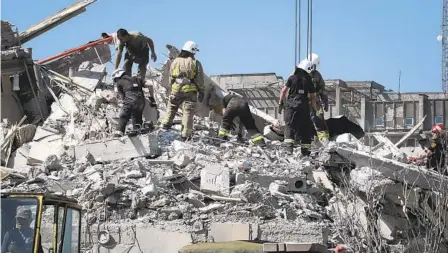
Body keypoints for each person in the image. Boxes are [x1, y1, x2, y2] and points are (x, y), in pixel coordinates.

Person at [161, 41, 205, 141]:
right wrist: (201, 91)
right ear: (192, 51)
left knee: (171, 107)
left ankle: (164, 126)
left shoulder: (175, 61)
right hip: (190, 90)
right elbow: (199, 79)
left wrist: (171, 87)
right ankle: (185, 135)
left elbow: (171, 76)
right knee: (188, 112)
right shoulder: (195, 63)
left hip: (176, 89)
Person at [278, 59, 317, 156]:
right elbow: (312, 97)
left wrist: (280, 102)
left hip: (291, 106)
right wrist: (313, 109)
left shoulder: (292, 77)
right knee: (305, 128)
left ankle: (288, 150)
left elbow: (284, 91)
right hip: (303, 106)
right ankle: (305, 152)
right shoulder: (309, 80)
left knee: (290, 126)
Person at [111, 68, 152, 137]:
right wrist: (152, 98)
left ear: (117, 77)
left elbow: (122, 97)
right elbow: (150, 85)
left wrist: (125, 106)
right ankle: (138, 130)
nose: (116, 81)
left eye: (115, 79)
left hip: (130, 101)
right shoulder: (137, 78)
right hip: (141, 102)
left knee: (123, 117)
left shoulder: (119, 82)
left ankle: (118, 134)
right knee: (137, 118)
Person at [306, 53, 330, 142]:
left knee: (319, 118)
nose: (314, 67)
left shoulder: (317, 75)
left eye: (315, 65)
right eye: (313, 65)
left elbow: (322, 88)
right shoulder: (299, 73)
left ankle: (324, 140)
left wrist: (325, 100)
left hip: (315, 101)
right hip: (303, 101)